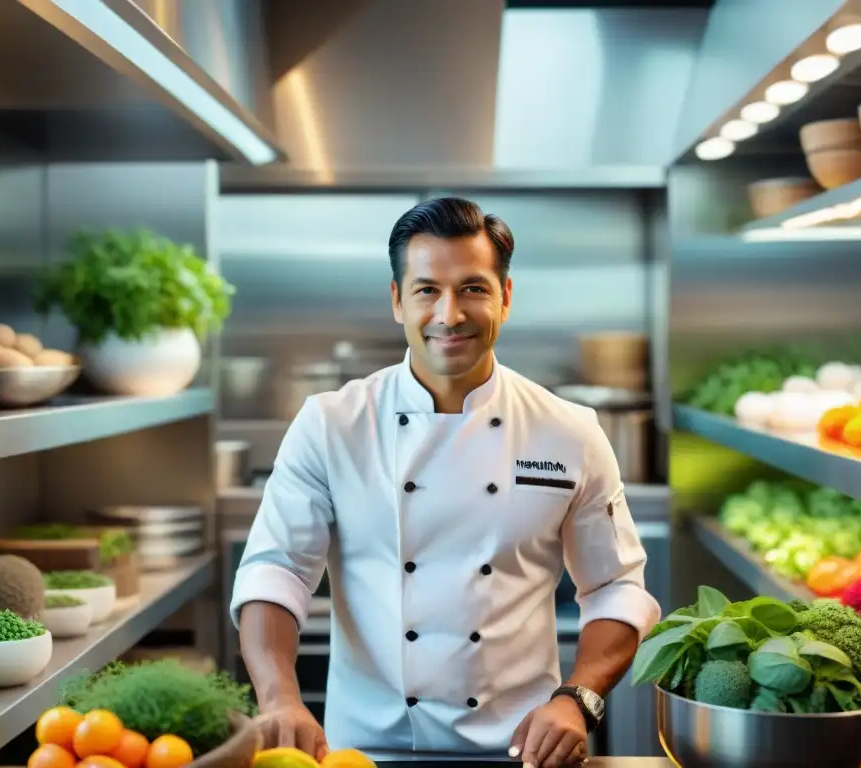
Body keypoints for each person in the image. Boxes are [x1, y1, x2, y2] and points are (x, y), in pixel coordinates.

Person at [231, 196, 661, 767]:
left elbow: (616, 588)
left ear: (506, 298)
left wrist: (577, 700)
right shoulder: (332, 424)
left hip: (525, 750)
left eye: (474, 289)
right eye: (427, 289)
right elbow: (276, 570)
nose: (449, 314)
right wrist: (280, 697)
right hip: (362, 750)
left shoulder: (569, 431)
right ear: (397, 301)